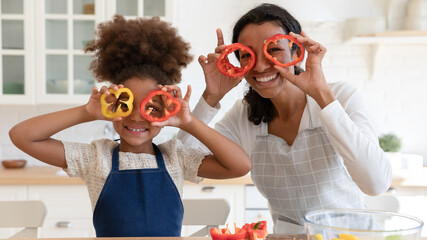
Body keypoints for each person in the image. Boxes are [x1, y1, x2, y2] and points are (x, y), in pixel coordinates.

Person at [9, 15, 251, 237]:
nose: (136, 117)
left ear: (167, 113)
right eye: (126, 104)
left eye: (151, 108)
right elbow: (21, 136)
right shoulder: (96, 158)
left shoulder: (176, 157)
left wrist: (188, 121)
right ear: (111, 106)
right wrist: (87, 112)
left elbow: (240, 166)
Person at [177, 3, 392, 234]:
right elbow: (180, 159)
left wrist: (322, 96)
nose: (259, 66)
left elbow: (376, 183)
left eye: (274, 50)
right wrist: (211, 97)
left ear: (297, 53)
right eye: (247, 55)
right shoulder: (244, 114)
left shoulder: (340, 96)